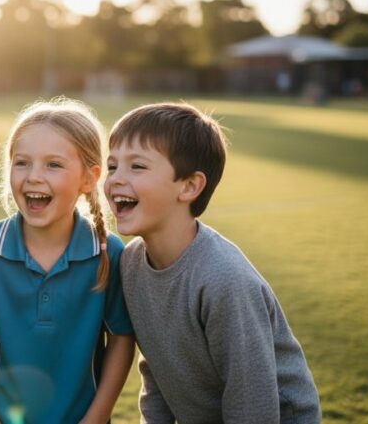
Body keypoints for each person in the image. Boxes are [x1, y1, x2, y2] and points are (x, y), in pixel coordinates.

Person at [104, 102, 321, 423]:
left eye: (137, 166)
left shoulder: (224, 279)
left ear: (190, 186)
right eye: (112, 166)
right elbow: (157, 369)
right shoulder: (131, 264)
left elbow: (252, 404)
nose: (115, 180)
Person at [0, 99, 135, 424]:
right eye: (22, 163)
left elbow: (121, 338)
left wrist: (96, 417)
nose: (34, 176)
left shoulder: (109, 252)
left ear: (89, 177)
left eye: (53, 164)